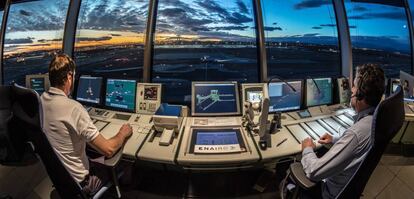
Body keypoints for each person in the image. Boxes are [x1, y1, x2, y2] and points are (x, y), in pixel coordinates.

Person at [41, 54, 133, 195]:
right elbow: (108, 149)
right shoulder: (73, 108)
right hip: (82, 183)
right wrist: (123, 133)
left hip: (62, 178)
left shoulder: (41, 100)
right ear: (69, 77)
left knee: (94, 155)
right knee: (125, 163)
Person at [300, 64, 385, 198]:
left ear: (361, 94)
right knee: (323, 151)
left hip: (329, 192)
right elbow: (356, 146)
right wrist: (334, 139)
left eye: (355, 86)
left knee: (287, 167)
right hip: (348, 188)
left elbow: (314, 172)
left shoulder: (356, 134)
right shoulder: (374, 120)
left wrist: (307, 149)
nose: (352, 89)